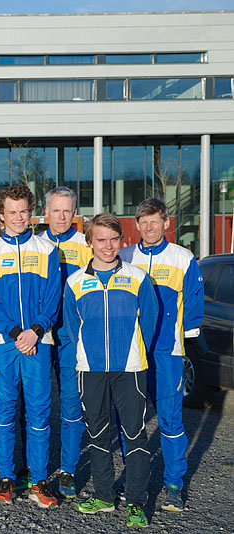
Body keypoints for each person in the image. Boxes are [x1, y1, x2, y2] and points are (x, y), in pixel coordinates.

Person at [65, 213, 158, 528]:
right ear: (89, 242)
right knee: (97, 432)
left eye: (114, 239)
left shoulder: (138, 277)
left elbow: (149, 322)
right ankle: (104, 495)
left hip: (129, 368)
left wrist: (132, 351)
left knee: (134, 433)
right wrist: (88, 353)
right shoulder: (75, 281)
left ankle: (136, 501)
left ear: (122, 240)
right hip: (90, 369)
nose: (108, 246)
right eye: (101, 240)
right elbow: (72, 327)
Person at [0, 183, 61, 507]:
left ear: (31, 212)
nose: (18, 217)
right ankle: (6, 478)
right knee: (4, 412)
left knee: (39, 411)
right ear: (1, 215)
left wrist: (36, 330)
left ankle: (39, 480)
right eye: (12, 212)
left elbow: (53, 295)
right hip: (3, 343)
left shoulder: (47, 249)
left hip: (40, 340)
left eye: (23, 211)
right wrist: (16, 333)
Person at [119, 197, 204, 512]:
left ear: (166, 223)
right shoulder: (125, 257)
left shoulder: (183, 257)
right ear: (137, 225)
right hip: (132, 353)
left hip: (167, 353)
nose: (149, 227)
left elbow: (193, 302)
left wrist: (182, 338)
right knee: (131, 420)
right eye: (144, 222)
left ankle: (173, 483)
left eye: (155, 221)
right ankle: (134, 480)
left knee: (170, 418)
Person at [38, 186, 92, 497]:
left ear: (74, 213)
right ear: (45, 213)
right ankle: (35, 468)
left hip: (72, 335)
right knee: (36, 402)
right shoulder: (35, 244)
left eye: (67, 211)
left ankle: (68, 469)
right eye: (55, 211)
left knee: (71, 403)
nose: (61, 217)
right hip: (40, 333)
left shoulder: (85, 245)